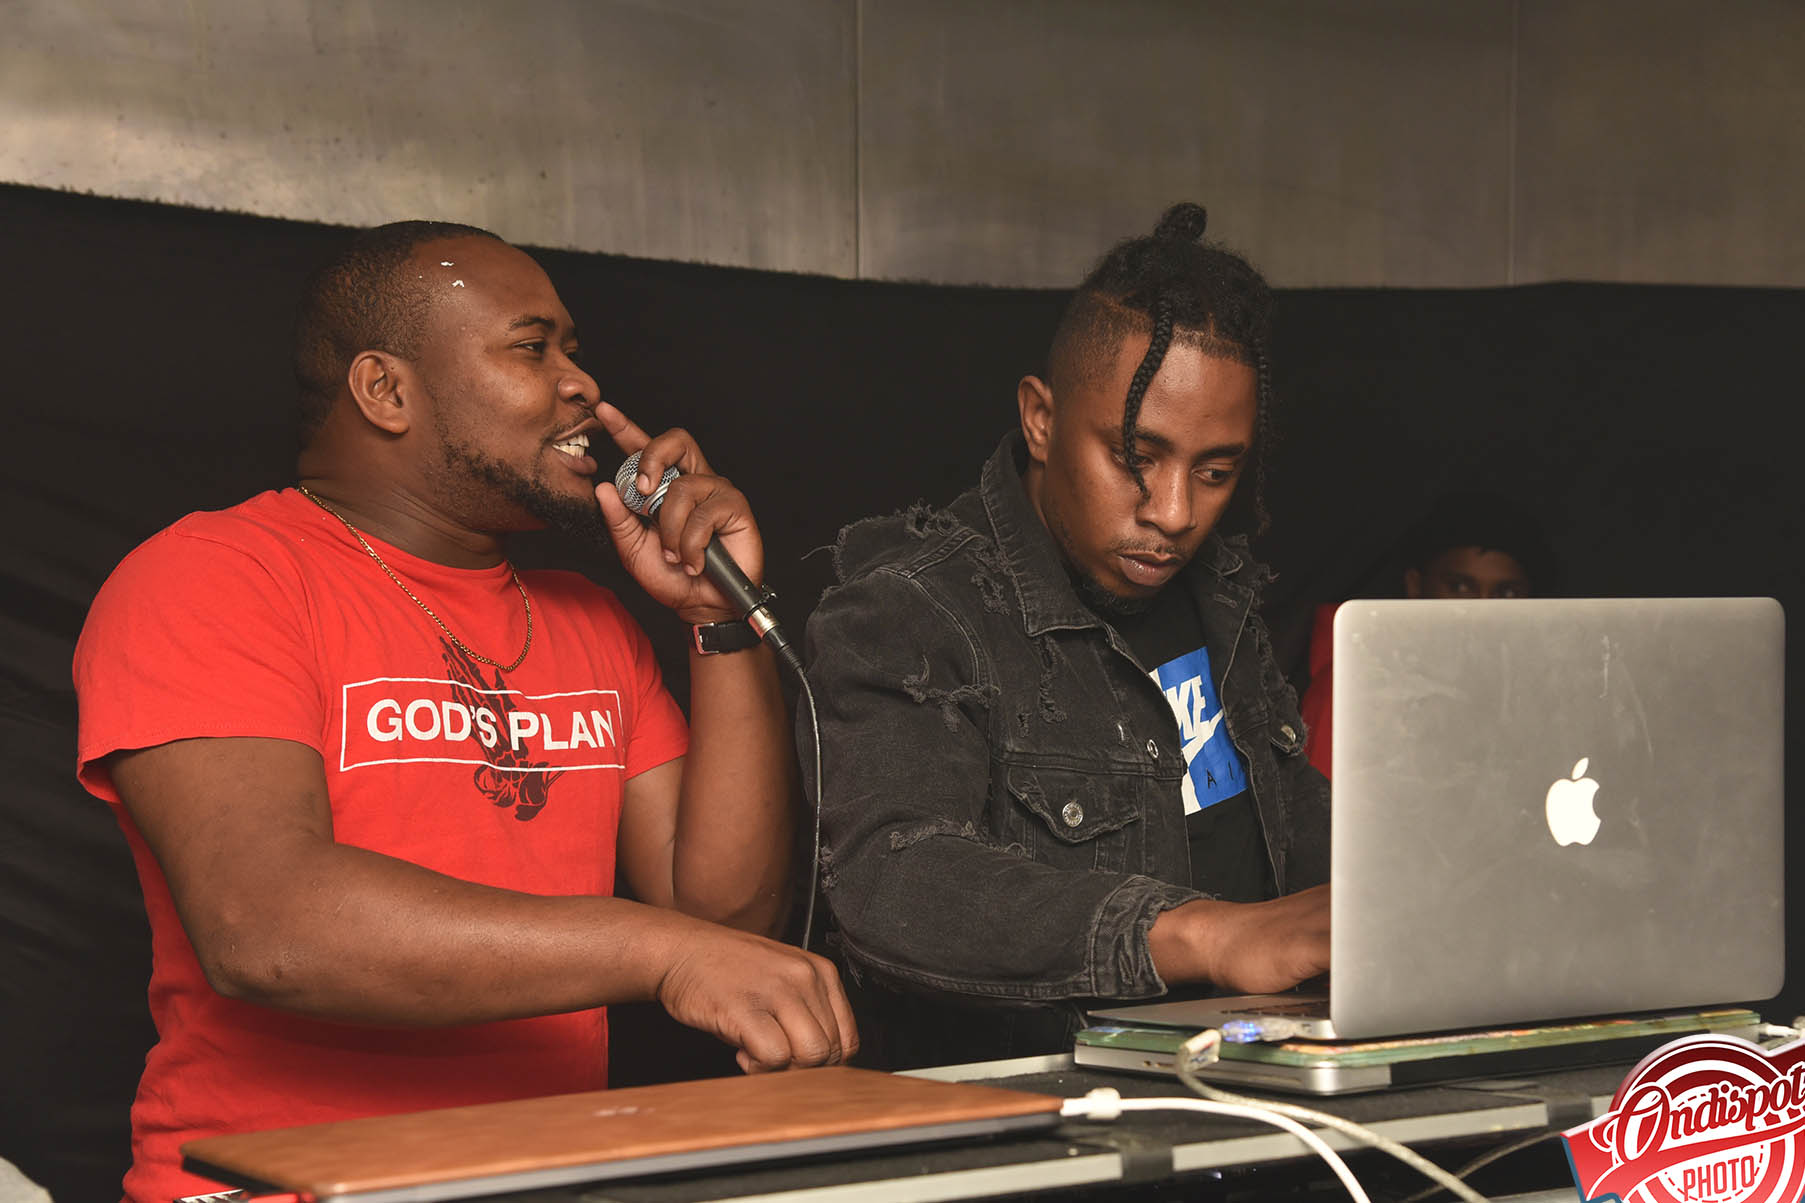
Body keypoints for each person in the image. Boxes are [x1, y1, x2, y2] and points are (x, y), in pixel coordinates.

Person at [73, 221, 855, 1203]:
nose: (581, 384)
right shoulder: (214, 577)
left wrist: (718, 619)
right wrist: (659, 952)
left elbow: (723, 922)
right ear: (384, 390)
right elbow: (265, 924)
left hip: (535, 1183)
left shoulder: (587, 621)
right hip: (273, 1189)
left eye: (573, 349)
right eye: (532, 348)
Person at [800, 203, 1330, 1069]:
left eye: (1213, 471)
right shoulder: (912, 610)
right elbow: (895, 880)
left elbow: (1291, 834)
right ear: (1040, 419)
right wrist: (1205, 934)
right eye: (1135, 457)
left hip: (1252, 1088)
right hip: (1043, 1111)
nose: (1174, 513)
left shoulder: (1219, 596)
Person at [1299, 490, 1556, 777]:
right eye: (1460, 587)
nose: (1483, 610)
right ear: (1415, 586)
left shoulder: (1549, 684)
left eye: (1506, 593)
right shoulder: (1356, 686)